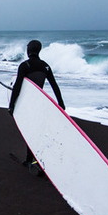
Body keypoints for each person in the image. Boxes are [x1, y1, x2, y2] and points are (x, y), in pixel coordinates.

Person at [8, 40, 66, 171]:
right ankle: (35, 159)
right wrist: (60, 103)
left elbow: (17, 86)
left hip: (27, 103)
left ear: (28, 50)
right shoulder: (45, 66)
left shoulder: (25, 65)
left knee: (30, 131)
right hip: (39, 102)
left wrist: (11, 105)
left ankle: (31, 160)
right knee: (37, 131)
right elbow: (54, 85)